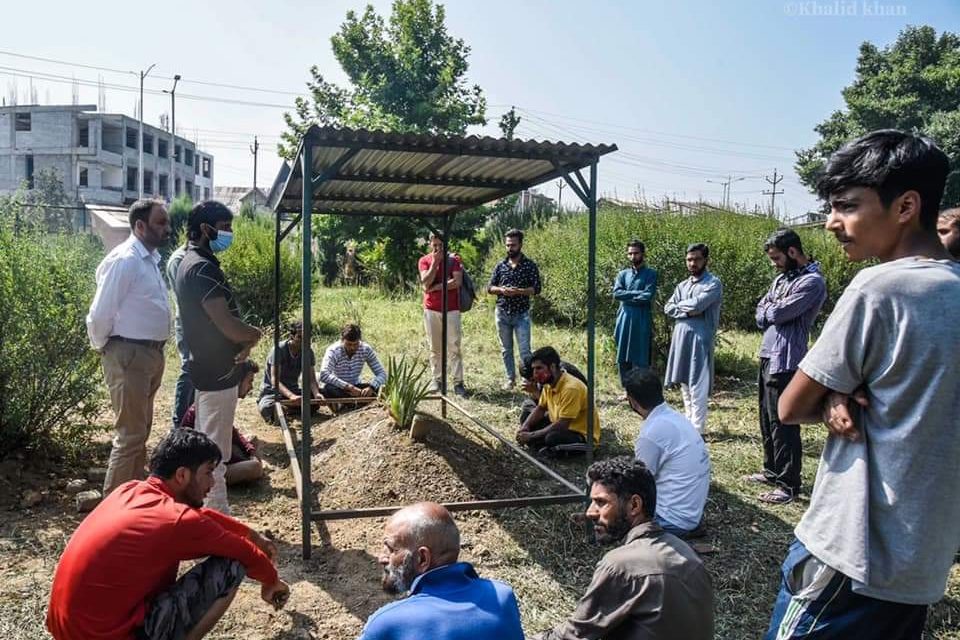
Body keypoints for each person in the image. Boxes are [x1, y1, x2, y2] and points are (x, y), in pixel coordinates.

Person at [766, 130, 960, 639]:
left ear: (905, 206)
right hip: (921, 565)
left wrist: (829, 394)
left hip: (850, 553)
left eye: (847, 207)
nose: (833, 222)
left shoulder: (882, 287)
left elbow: (789, 405)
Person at [46, 429, 289, 640]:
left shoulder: (130, 489)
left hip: (69, 630)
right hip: (107, 635)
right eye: (208, 472)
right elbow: (245, 554)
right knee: (231, 567)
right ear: (182, 475)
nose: (212, 483)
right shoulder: (177, 520)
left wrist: (253, 535)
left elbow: (203, 517)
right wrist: (272, 582)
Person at [532, 457, 714, 640]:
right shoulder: (686, 551)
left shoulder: (621, 565)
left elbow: (576, 635)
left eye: (601, 503)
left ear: (634, 505)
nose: (590, 512)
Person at [175, 200, 261, 515]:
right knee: (215, 457)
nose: (229, 234)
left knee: (211, 449)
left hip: (211, 369)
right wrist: (252, 334)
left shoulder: (192, 262)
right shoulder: (201, 267)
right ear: (205, 229)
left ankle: (209, 515)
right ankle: (216, 516)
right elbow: (224, 322)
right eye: (224, 228)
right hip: (217, 373)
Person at [86, 198, 171, 495]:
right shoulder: (126, 260)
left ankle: (132, 507)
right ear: (139, 225)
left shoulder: (148, 260)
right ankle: (112, 519)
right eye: (161, 222)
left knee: (140, 434)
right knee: (130, 436)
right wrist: (107, 349)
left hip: (149, 355)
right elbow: (100, 313)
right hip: (129, 354)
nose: (167, 229)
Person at [743, 229, 826, 505]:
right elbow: (760, 312)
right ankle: (771, 470)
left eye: (777, 257)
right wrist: (769, 310)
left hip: (787, 358)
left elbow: (777, 312)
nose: (773, 263)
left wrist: (771, 310)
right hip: (768, 354)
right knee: (766, 418)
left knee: (784, 422)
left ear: (792, 252)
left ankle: (788, 484)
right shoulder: (781, 279)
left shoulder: (812, 282)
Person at [359, 502, 524, 640]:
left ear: (422, 559)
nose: (382, 558)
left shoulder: (388, 624)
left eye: (391, 549)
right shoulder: (503, 595)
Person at [624, 368, 710, 538]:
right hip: (691, 514)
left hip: (671, 519)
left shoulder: (650, 434)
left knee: (617, 504)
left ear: (632, 401)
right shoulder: (675, 418)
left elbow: (639, 482)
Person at [663, 243, 722, 435]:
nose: (692, 263)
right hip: (681, 340)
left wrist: (684, 309)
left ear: (706, 260)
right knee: (684, 384)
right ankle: (689, 426)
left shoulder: (713, 283)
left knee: (698, 384)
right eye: (689, 259)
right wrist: (689, 311)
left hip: (700, 340)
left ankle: (698, 430)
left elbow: (699, 304)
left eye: (696, 259)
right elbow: (668, 307)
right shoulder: (682, 285)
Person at [180, 360, 264, 486]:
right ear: (238, 380)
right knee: (254, 467)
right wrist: (245, 458)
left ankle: (254, 468)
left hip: (214, 454)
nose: (251, 387)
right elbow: (214, 448)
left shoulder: (224, 397)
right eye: (249, 381)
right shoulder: (218, 402)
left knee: (252, 440)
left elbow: (232, 431)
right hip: (202, 466)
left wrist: (249, 450)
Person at [517, 346, 600, 452]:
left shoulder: (571, 388)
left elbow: (562, 424)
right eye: (533, 369)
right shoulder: (548, 383)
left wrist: (532, 435)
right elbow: (541, 408)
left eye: (539, 368)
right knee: (527, 414)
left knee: (552, 437)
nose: (535, 373)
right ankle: (542, 445)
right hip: (560, 425)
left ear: (552, 367)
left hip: (580, 434)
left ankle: (550, 449)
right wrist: (525, 427)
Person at [487, 228, 542, 389]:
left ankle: (528, 380)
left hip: (521, 314)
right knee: (506, 349)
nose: (510, 248)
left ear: (520, 245)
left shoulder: (529, 265)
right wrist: (502, 290)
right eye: (508, 245)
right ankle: (510, 379)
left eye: (513, 245)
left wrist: (519, 291)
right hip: (502, 312)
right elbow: (489, 287)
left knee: (525, 350)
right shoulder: (501, 265)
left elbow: (536, 289)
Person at [418, 233, 466, 396]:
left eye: (441, 245)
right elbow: (425, 282)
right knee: (435, 347)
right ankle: (437, 380)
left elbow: (457, 282)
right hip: (431, 309)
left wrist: (437, 287)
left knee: (454, 346)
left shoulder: (454, 260)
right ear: (430, 244)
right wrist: (435, 263)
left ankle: (458, 382)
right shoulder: (424, 260)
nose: (437, 248)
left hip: (451, 309)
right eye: (435, 245)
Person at [257, 320, 321, 424]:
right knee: (267, 408)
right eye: (300, 337)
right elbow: (275, 380)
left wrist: (317, 394)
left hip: (293, 391)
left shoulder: (308, 352)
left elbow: (311, 379)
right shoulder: (279, 350)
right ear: (292, 336)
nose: (304, 341)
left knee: (314, 402)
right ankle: (286, 409)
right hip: (273, 393)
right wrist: (291, 396)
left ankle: (289, 408)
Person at [613, 239, 658, 386]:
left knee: (640, 355)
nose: (633, 256)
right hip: (624, 317)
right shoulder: (622, 274)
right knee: (623, 355)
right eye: (630, 253)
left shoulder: (651, 274)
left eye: (636, 253)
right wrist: (636, 294)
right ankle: (626, 389)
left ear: (643, 254)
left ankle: (640, 389)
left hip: (641, 318)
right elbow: (617, 293)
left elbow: (648, 296)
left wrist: (628, 295)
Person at [318, 323, 388, 402]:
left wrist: (371, 387)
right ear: (342, 340)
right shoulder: (334, 351)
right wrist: (348, 387)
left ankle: (350, 403)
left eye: (356, 344)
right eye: (349, 344)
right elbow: (324, 375)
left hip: (356, 386)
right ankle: (354, 403)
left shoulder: (365, 349)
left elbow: (382, 374)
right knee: (329, 389)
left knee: (380, 388)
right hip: (338, 387)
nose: (352, 347)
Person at [166, 239, 194, 429]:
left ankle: (189, 420)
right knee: (189, 369)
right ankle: (179, 422)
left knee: (196, 371)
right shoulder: (180, 259)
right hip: (189, 322)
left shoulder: (190, 257)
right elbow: (187, 298)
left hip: (197, 323)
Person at [518, 354, 587, 430]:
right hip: (556, 409)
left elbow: (556, 405)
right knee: (527, 410)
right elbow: (541, 405)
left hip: (572, 416)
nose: (534, 381)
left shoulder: (556, 375)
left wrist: (536, 392)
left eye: (533, 379)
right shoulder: (543, 374)